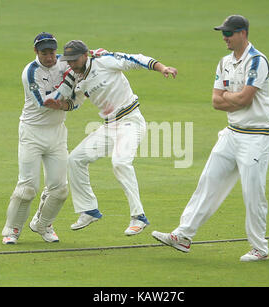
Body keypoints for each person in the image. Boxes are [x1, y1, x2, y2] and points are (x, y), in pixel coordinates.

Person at [152, 15, 269, 262]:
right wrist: (233, 96)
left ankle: (259, 248)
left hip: (257, 135)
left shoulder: (257, 61)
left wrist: (230, 97)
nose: (225, 38)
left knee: (253, 191)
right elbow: (215, 102)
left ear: (243, 33)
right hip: (231, 132)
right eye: (223, 33)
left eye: (229, 33)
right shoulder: (224, 63)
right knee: (209, 181)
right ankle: (183, 236)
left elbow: (244, 99)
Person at [46, 40, 178, 236]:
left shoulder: (104, 60)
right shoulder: (74, 78)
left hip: (130, 121)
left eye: (75, 59)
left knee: (120, 162)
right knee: (75, 159)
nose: (72, 64)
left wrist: (162, 68)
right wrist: (59, 105)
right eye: (69, 61)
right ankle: (89, 210)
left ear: (85, 55)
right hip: (109, 126)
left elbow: (136, 59)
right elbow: (74, 102)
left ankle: (138, 217)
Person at [1, 32, 76, 244]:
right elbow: (47, 102)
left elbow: (87, 64)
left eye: (52, 52)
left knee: (60, 189)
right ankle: (12, 230)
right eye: (44, 53)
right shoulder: (30, 72)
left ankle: (43, 224)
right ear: (36, 52)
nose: (50, 57)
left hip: (57, 132)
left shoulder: (65, 62)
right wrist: (70, 95)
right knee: (27, 188)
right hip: (32, 133)